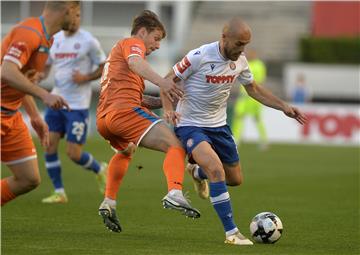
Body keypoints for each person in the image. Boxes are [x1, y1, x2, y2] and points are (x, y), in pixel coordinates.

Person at [162, 17, 307, 245]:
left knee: (235, 179)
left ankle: (197, 173)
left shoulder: (241, 61)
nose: (242, 50)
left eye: (245, 45)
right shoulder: (198, 56)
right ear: (224, 38)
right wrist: (169, 109)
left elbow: (254, 89)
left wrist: (284, 107)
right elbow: (166, 80)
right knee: (216, 170)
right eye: (239, 44)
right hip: (190, 124)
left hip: (219, 125)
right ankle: (232, 233)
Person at [96, 10, 200, 233]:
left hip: (105, 119)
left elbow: (135, 96)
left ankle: (109, 202)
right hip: (123, 112)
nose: (158, 45)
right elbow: (135, 63)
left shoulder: (117, 56)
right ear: (142, 32)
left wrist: (163, 99)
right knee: (175, 145)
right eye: (156, 38)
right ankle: (175, 192)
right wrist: (163, 82)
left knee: (126, 151)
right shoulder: (132, 44)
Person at [1, 1, 80, 206]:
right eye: (77, 13)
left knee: (28, 178)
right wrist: (45, 95)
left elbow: (20, 80)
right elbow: (7, 71)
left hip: (10, 115)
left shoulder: (48, 39)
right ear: (68, 10)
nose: (77, 19)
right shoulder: (30, 32)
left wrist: (35, 116)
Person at [41, 4, 108, 204]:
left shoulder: (88, 41)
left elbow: (104, 67)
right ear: (65, 15)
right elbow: (46, 66)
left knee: (73, 153)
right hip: (56, 101)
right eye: (73, 15)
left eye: (79, 15)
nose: (76, 19)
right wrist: (38, 75)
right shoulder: (55, 39)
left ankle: (100, 168)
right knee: (49, 146)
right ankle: (59, 192)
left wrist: (85, 77)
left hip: (77, 106)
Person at [231, 48, 268, 149]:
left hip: (254, 96)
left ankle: (263, 140)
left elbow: (260, 81)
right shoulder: (245, 63)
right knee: (238, 116)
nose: (250, 55)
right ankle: (236, 139)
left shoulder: (259, 65)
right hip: (243, 96)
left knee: (257, 119)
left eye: (252, 53)